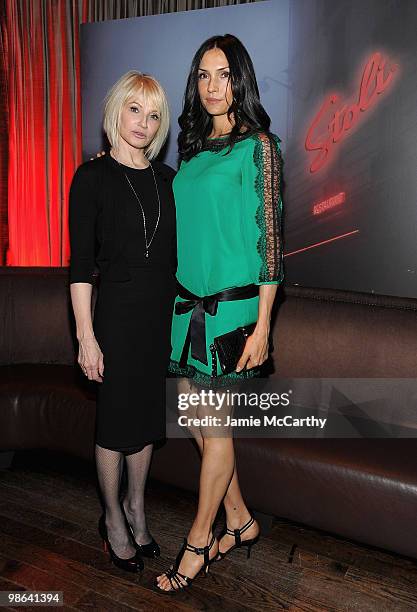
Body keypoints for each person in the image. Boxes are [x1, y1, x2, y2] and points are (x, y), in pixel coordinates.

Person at [156, 34, 284, 592]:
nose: (213, 86)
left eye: (224, 74)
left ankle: (197, 542)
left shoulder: (260, 146)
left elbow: (271, 243)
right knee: (196, 421)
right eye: (204, 76)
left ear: (241, 80)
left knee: (215, 425)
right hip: (186, 311)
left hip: (231, 313)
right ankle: (242, 520)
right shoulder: (192, 151)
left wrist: (263, 323)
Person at [69, 71, 176, 573]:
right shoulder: (91, 178)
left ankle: (137, 505)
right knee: (115, 426)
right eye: (135, 109)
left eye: (153, 114)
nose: (144, 122)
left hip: (157, 322)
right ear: (116, 111)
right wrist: (86, 338)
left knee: (146, 423)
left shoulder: (168, 180)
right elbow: (79, 268)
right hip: (112, 319)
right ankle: (111, 516)